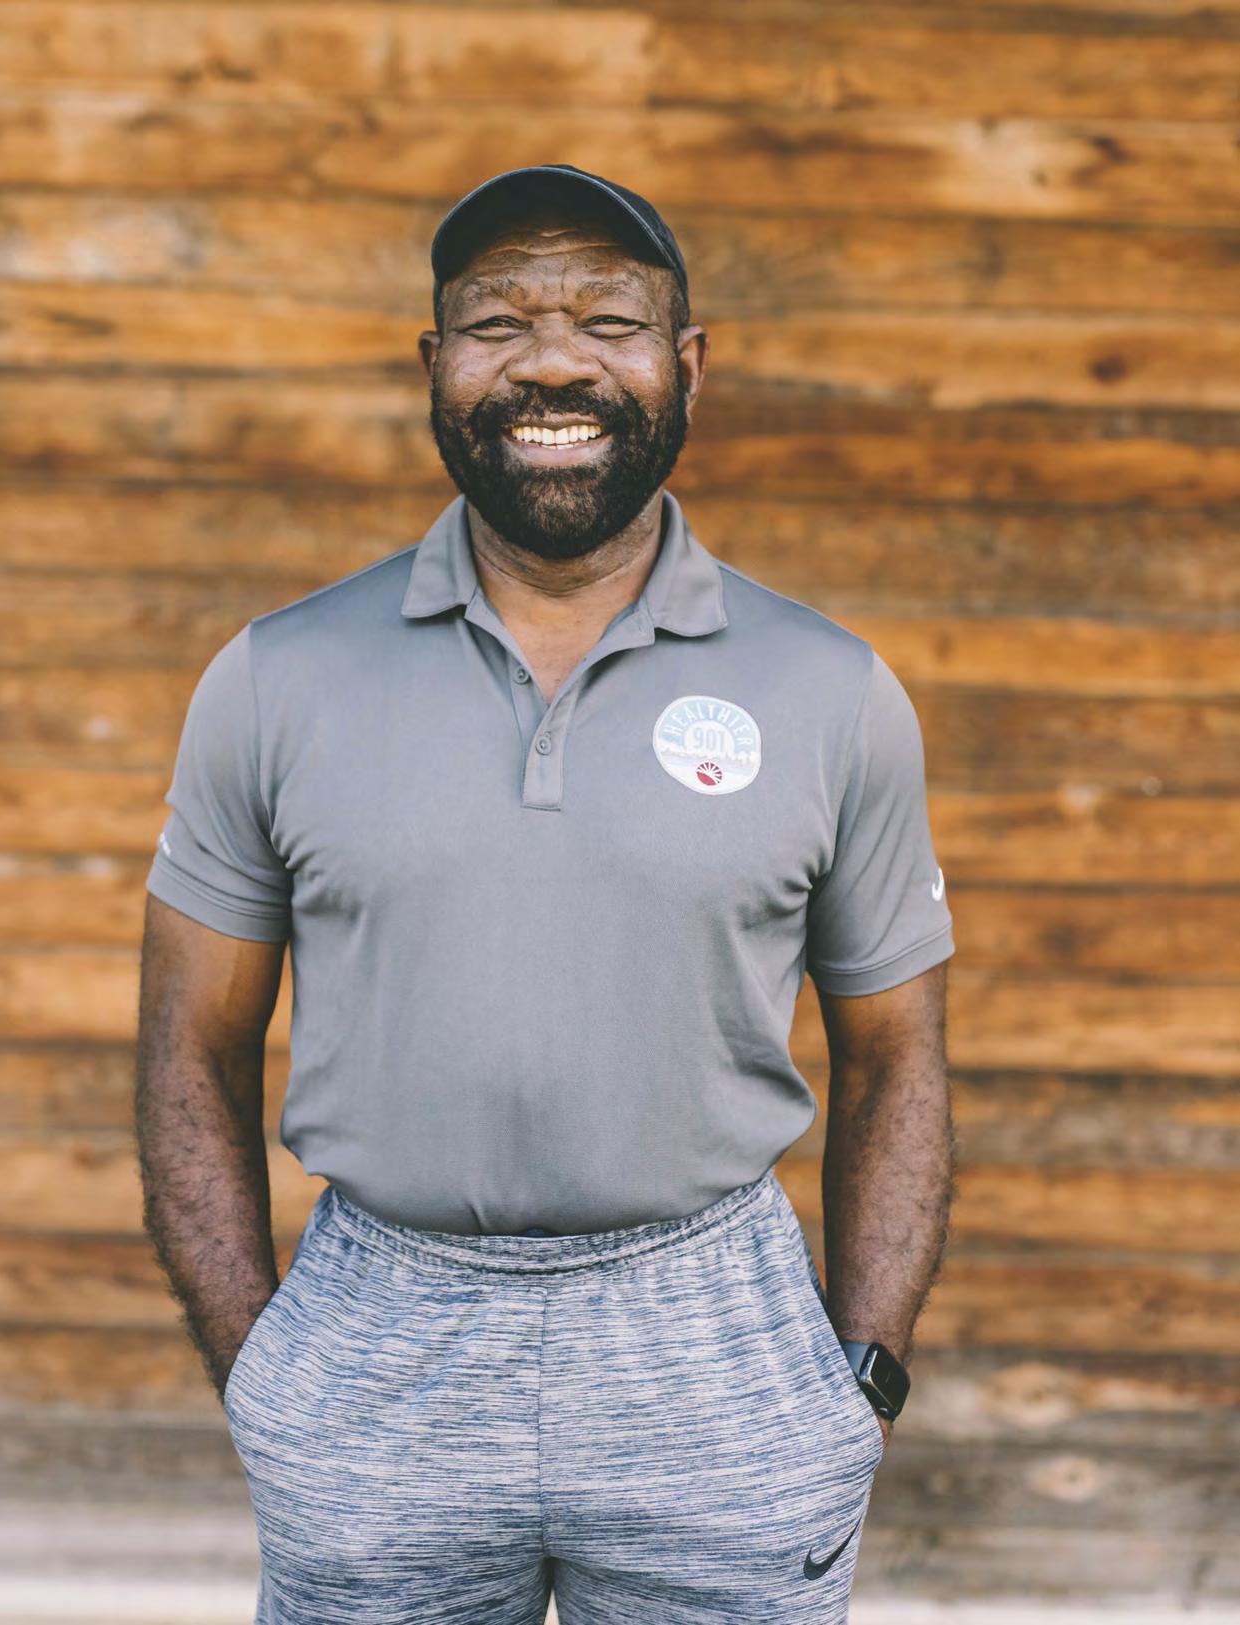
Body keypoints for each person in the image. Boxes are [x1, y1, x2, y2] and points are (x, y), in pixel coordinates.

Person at [136, 164, 956, 1625]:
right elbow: (189, 1046)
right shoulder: (275, 679)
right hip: (381, 1339)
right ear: (434, 365)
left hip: (716, 1340)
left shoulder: (831, 691)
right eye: (498, 321)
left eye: (610, 320)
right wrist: (265, 1369)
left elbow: (898, 1056)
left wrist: (860, 1375)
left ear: (687, 365)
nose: (554, 362)